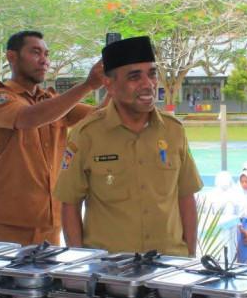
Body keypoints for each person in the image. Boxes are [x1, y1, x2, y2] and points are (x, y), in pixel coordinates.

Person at [55, 36, 203, 256]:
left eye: (152, 74)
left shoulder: (173, 131)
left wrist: (189, 257)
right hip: (109, 268)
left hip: (169, 264)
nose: (148, 84)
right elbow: (70, 205)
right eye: (134, 77)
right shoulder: (86, 135)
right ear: (109, 84)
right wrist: (80, 263)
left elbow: (186, 196)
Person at [0, 31, 104, 245]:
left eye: (46, 54)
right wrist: (88, 85)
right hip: (8, 225)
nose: (44, 60)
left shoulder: (52, 101)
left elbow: (100, 117)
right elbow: (29, 118)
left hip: (50, 223)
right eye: (35, 52)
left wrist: (115, 83)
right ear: (12, 57)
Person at [206, 171, 239, 259]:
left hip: (225, 229)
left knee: (227, 251)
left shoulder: (232, 195)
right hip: (219, 229)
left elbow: (232, 215)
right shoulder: (213, 194)